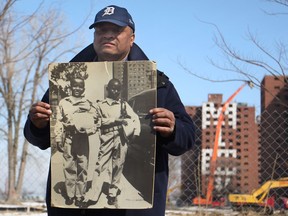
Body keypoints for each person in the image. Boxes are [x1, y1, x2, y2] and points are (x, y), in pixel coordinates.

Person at [24, 5, 195, 216]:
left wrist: (173, 129)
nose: (107, 35)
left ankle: (110, 192)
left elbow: (188, 137)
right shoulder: (65, 81)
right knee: (90, 168)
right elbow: (38, 138)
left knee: (114, 170)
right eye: (101, 30)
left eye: (116, 30)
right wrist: (37, 124)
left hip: (133, 210)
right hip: (76, 207)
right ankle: (86, 192)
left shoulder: (158, 84)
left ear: (131, 38)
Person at [84, 78, 141, 207]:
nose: (115, 91)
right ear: (108, 89)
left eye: (118, 89)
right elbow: (97, 122)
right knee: (100, 166)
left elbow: (135, 118)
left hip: (122, 138)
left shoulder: (124, 105)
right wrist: (115, 120)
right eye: (113, 88)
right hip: (107, 137)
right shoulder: (100, 105)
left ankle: (112, 193)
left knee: (118, 166)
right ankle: (93, 195)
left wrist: (135, 133)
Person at [54, 76, 99, 207]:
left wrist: (89, 130)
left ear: (83, 88)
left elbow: (96, 122)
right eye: (75, 85)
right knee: (69, 167)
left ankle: (80, 195)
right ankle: (70, 195)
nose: (77, 88)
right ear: (70, 87)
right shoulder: (64, 102)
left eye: (80, 86)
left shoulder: (89, 104)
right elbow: (59, 122)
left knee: (82, 167)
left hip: (83, 139)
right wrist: (58, 138)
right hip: (69, 138)